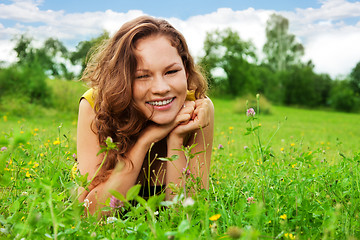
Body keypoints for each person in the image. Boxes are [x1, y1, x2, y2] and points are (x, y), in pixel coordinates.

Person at [77, 16, 214, 215]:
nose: (161, 88)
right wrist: (144, 141)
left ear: (185, 71)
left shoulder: (198, 110)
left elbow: (189, 215)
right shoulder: (96, 105)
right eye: (142, 76)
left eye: (171, 71)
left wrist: (175, 139)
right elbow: (90, 214)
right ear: (121, 80)